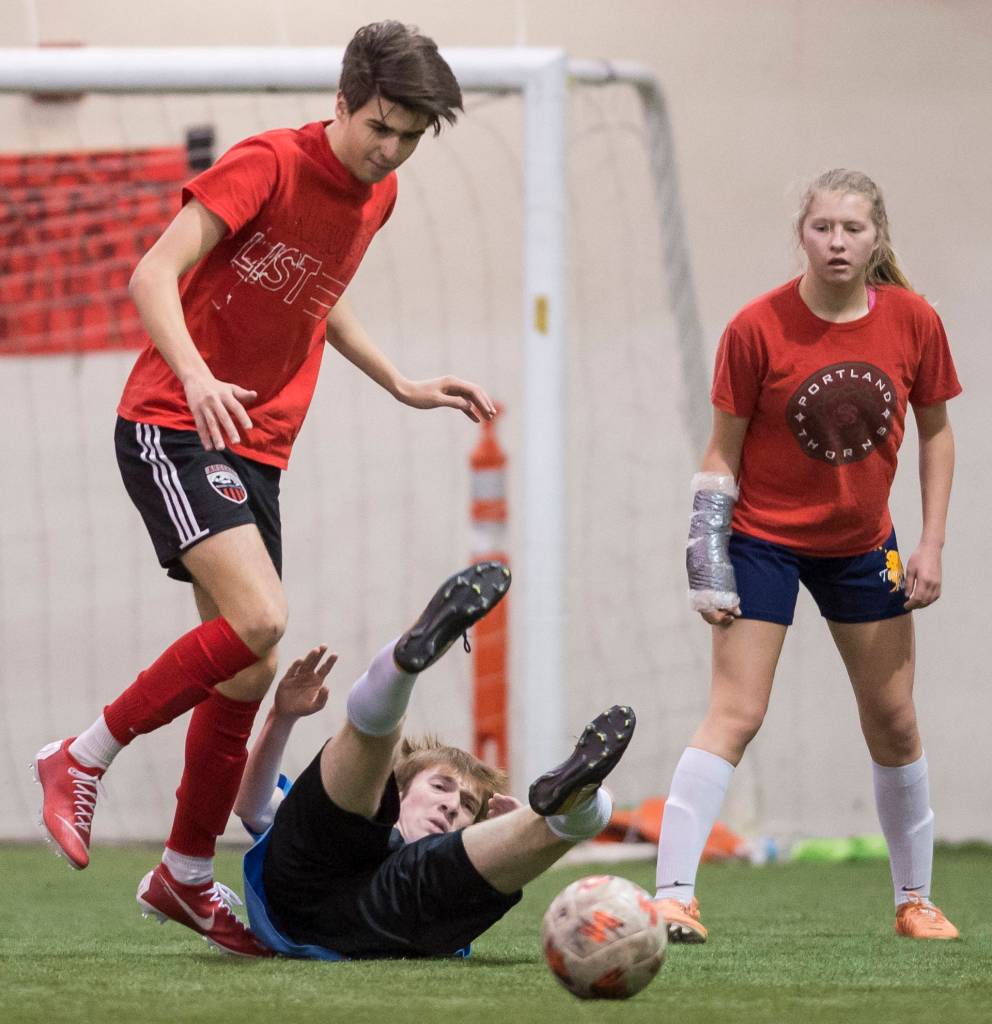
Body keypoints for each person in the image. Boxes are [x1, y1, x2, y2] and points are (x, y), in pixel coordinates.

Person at [33, 21, 495, 957]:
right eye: (378, 126)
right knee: (261, 620)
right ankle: (81, 755)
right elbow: (151, 271)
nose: (389, 149)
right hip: (175, 419)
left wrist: (399, 380)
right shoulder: (267, 164)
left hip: (258, 445)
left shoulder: (380, 193)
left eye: (408, 136)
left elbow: (319, 294)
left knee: (245, 670)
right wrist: (198, 374)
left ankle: (187, 874)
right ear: (341, 101)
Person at [655, 169, 961, 943]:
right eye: (822, 227)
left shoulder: (915, 321)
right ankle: (673, 895)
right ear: (803, 233)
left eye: (852, 229)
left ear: (876, 238)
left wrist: (929, 542)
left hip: (864, 546)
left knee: (893, 720)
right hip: (763, 541)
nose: (836, 242)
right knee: (738, 713)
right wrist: (706, 560)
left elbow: (936, 433)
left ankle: (915, 902)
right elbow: (721, 454)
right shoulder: (756, 328)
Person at [199, 561, 635, 960]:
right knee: (343, 819)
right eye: (441, 787)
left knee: (443, 867)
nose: (451, 805)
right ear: (402, 791)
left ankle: (574, 807)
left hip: (390, 920)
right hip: (303, 885)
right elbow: (252, 806)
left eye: (466, 806)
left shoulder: (435, 869)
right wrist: (282, 717)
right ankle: (401, 667)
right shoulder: (375, 805)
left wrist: (510, 832)